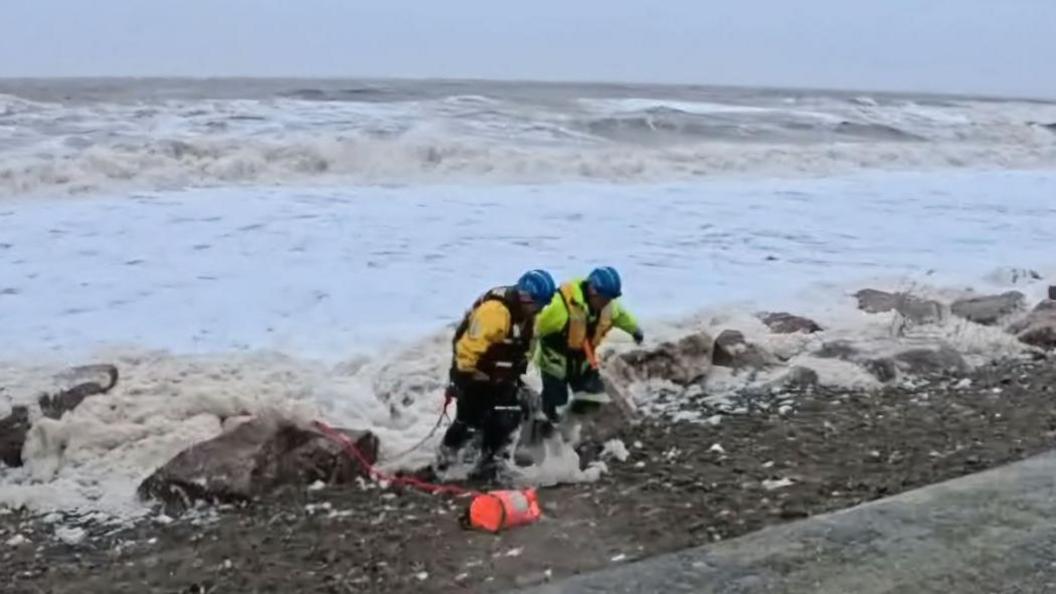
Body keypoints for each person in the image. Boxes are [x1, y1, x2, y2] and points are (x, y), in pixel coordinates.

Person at [437, 269, 557, 474]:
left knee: (510, 412)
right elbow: (468, 347)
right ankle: (445, 461)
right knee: (469, 419)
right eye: (539, 304)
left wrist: (516, 375)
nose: (540, 310)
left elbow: (523, 348)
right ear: (526, 298)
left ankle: (489, 460)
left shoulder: (526, 316)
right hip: (474, 373)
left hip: (501, 375)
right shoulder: (494, 313)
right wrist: (461, 378)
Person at [534, 266, 643, 435]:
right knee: (555, 404)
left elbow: (621, 316)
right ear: (592, 290)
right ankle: (542, 434)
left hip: (583, 360)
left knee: (595, 396)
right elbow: (535, 327)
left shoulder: (608, 306)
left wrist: (635, 330)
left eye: (611, 298)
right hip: (554, 362)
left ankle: (581, 430)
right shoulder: (559, 306)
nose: (607, 302)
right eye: (605, 298)